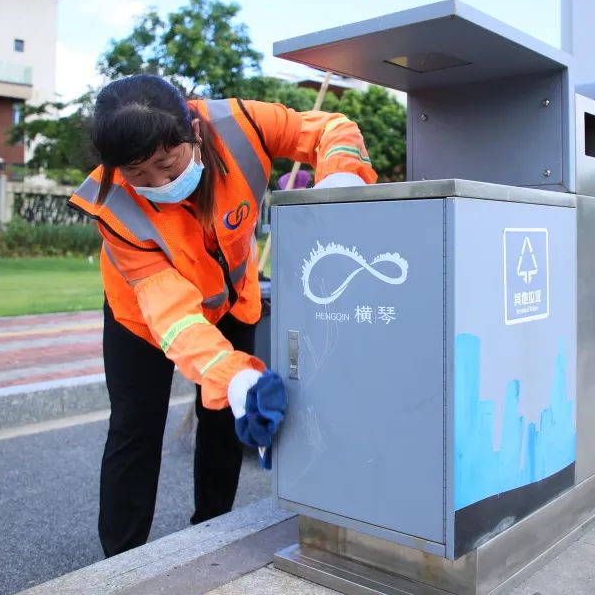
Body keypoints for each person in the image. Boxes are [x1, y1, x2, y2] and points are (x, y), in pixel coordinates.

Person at [69, 74, 377, 557]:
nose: (159, 184)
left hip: (232, 296)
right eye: (138, 174)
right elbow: (174, 317)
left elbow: (331, 129)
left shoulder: (244, 124)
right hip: (143, 314)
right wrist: (232, 376)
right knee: (135, 426)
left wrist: (340, 180)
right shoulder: (113, 206)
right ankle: (121, 560)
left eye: (167, 165)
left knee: (222, 421)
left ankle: (210, 530)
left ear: (193, 130)